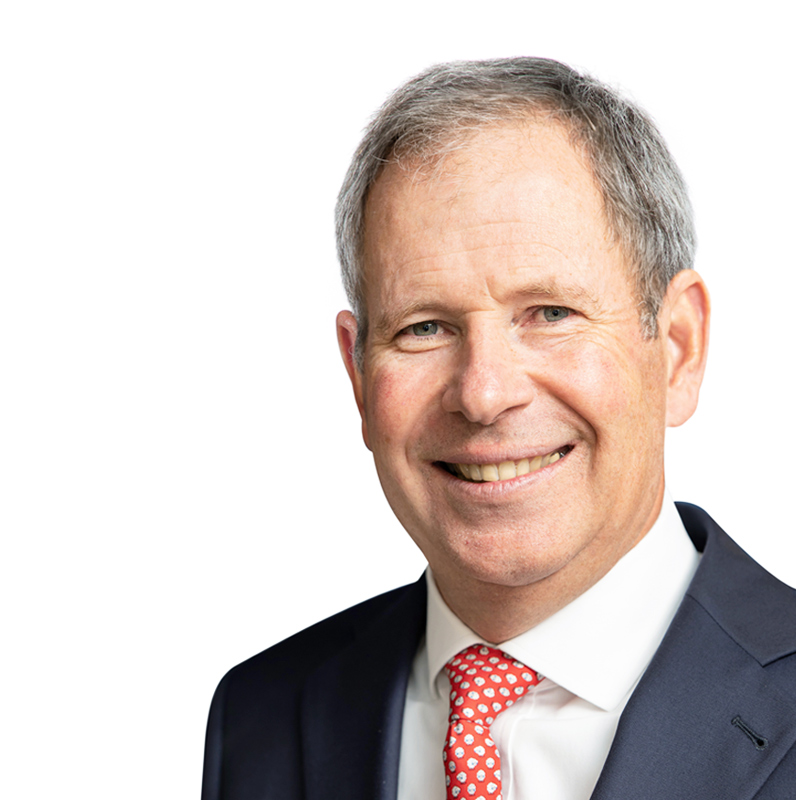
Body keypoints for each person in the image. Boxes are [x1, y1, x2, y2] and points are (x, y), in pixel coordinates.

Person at [201, 58, 796, 800]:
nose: (483, 393)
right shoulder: (262, 714)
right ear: (357, 374)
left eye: (550, 314)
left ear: (677, 347)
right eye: (424, 328)